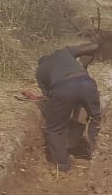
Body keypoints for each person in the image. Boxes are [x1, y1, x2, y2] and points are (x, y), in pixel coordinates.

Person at [36, 42, 101, 173]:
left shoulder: (40, 71)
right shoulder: (64, 52)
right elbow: (94, 46)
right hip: (87, 83)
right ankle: (97, 153)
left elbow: (49, 96)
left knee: (53, 129)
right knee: (95, 118)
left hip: (62, 90)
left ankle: (63, 166)